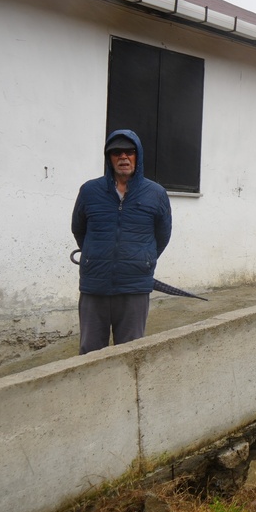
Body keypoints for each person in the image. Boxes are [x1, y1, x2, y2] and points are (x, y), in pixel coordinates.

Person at [71, 130, 173, 354]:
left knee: (130, 354)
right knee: (89, 352)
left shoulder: (155, 194)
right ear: (109, 158)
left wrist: (141, 260)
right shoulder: (90, 191)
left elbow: (162, 235)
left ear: (138, 156)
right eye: (116, 152)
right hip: (94, 285)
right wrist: (94, 254)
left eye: (129, 152)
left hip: (134, 287)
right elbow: (79, 229)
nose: (123, 157)